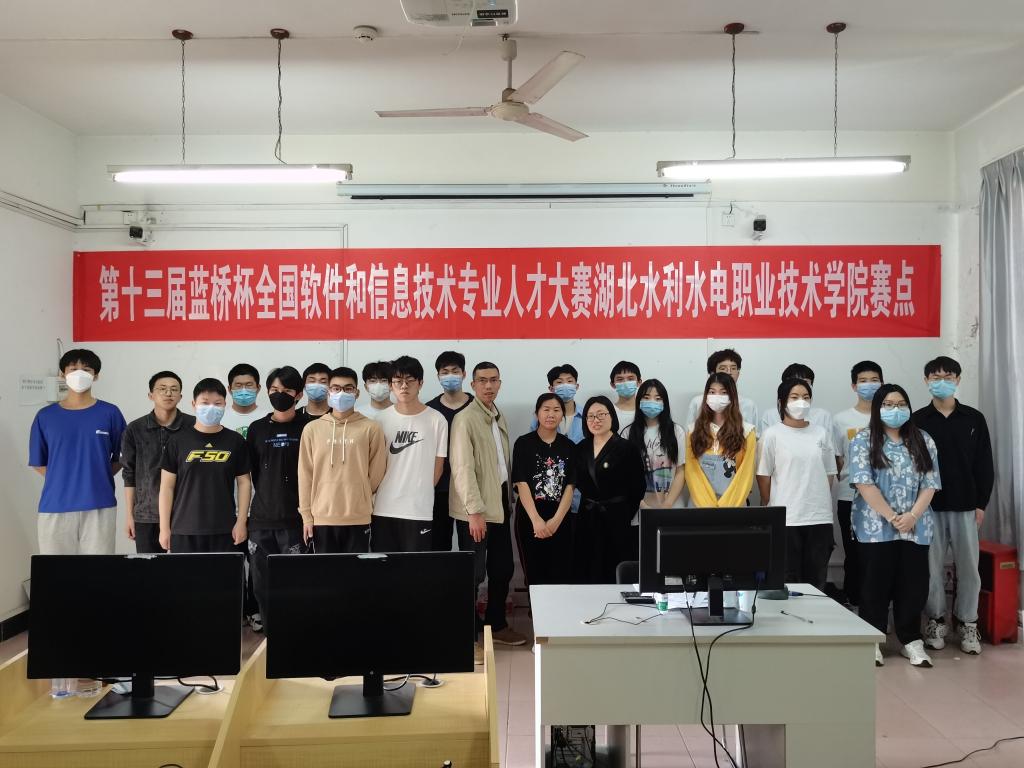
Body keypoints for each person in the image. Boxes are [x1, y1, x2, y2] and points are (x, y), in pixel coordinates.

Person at [850, 384, 940, 667]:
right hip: (875, 527)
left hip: (916, 527)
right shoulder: (863, 440)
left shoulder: (923, 439)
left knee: (913, 585)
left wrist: (912, 516)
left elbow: (930, 483)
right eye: (888, 404)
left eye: (901, 404)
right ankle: (873, 639)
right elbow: (864, 483)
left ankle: (911, 640)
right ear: (877, 409)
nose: (895, 410)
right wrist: (892, 517)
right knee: (874, 585)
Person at [914, 356, 994, 656]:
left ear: (958, 380)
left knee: (969, 568)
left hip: (966, 506)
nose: (942, 382)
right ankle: (936, 621)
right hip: (928, 507)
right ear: (926, 381)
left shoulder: (974, 418)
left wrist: (981, 504)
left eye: (948, 377)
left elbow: (984, 464)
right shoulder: (917, 420)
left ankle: (967, 622)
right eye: (935, 377)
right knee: (931, 569)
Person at [449, 361, 527, 651]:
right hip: (476, 510)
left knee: (502, 568)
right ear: (472, 385)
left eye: (494, 380)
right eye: (482, 380)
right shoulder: (465, 418)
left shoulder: (496, 414)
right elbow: (462, 468)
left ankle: (496, 625)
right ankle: (469, 637)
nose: (488, 385)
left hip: (499, 506)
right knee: (473, 574)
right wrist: (474, 511)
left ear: (500, 383)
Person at [29, 348, 126, 555]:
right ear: (62, 374)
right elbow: (38, 461)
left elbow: (123, 456)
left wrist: (96, 476)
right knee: (55, 570)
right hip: (55, 506)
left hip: (100, 505)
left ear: (96, 375)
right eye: (73, 369)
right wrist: (64, 479)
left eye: (87, 369)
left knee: (99, 570)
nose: (79, 373)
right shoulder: (45, 416)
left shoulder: (110, 413)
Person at [756, 378, 837, 590]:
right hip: (787, 517)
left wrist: (816, 498)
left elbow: (829, 473)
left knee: (816, 581)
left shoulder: (821, 433)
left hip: (819, 517)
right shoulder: (772, 434)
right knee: (787, 581)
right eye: (794, 397)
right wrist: (771, 503)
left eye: (806, 397)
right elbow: (763, 476)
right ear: (781, 401)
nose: (801, 402)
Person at [245, 366, 310, 630]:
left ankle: (293, 630)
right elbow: (252, 474)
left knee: (295, 580)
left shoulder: (309, 427)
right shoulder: (257, 428)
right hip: (261, 519)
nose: (279, 394)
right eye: (274, 389)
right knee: (262, 582)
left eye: (286, 390)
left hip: (296, 519)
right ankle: (271, 633)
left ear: (299, 394)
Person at [298, 366, 386, 554]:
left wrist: (359, 492)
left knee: (355, 571)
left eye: (348, 388)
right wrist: (307, 516)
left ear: (357, 393)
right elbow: (305, 475)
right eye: (336, 388)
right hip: (322, 518)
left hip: (358, 517)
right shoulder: (312, 429)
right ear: (328, 392)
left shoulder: (371, 428)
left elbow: (377, 471)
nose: (341, 393)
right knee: (326, 571)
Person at [158, 378, 251, 553]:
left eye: (217, 403)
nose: (211, 408)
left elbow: (244, 482)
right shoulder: (177, 441)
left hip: (225, 529)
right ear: (194, 404)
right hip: (184, 529)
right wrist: (164, 528)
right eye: (205, 403)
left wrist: (241, 522)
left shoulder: (235, 441)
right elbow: (166, 487)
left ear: (225, 405)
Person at [372, 356, 448, 552]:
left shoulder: (437, 420)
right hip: (383, 507)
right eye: (398, 381)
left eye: (410, 380)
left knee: (416, 568)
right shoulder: (380, 420)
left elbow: (438, 466)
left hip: (418, 510)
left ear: (420, 383)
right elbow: (374, 465)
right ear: (391, 385)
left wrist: (419, 492)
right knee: (384, 565)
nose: (404, 386)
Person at [573, 396, 646, 584]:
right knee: (587, 567)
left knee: (614, 567)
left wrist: (623, 512)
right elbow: (576, 481)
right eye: (590, 416)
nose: (595, 420)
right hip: (587, 516)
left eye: (601, 415)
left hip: (617, 518)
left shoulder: (627, 448)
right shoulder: (580, 448)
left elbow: (638, 486)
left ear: (612, 416)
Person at [121, 370, 196, 553]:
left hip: (186, 513)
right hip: (147, 515)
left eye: (174, 389)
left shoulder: (193, 425)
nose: (168, 393)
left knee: (188, 568)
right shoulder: (135, 429)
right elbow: (129, 474)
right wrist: (130, 516)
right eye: (162, 389)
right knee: (150, 569)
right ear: (151, 395)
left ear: (181, 396)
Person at [832, 361, 885, 607]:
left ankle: (878, 605)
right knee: (854, 553)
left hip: (885, 497)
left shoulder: (890, 416)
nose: (869, 385)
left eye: (874, 380)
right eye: (863, 381)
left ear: (882, 383)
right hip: (849, 496)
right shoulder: (841, 419)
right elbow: (838, 460)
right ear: (854, 386)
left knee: (880, 555)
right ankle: (854, 602)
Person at [513, 393, 577, 587]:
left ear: (562, 415)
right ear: (537, 414)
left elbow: (570, 486)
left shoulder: (569, 446)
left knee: (560, 573)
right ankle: (535, 607)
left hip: (560, 516)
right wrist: (536, 521)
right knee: (534, 573)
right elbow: (521, 483)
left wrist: (556, 521)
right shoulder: (523, 443)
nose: (551, 414)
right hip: (530, 516)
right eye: (546, 409)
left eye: (556, 410)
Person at [684, 373, 757, 507]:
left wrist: (726, 508)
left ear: (732, 396)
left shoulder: (747, 432)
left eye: (723, 392)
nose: (717, 397)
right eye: (712, 392)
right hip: (699, 507)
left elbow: (745, 475)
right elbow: (691, 471)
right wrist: (709, 506)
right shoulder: (692, 431)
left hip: (734, 507)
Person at [426, 351, 474, 551]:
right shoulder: (429, 410)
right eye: (445, 372)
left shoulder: (477, 407)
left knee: (470, 547)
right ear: (438, 376)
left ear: (464, 374)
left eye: (455, 371)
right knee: (438, 547)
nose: (450, 376)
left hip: (470, 490)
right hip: (439, 489)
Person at [622, 379, 686, 511]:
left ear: (664, 403)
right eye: (646, 398)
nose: (652, 402)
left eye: (658, 398)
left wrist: (667, 504)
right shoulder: (628, 433)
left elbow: (681, 471)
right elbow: (625, 474)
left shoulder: (677, 431)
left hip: (672, 507)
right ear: (639, 401)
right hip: (638, 508)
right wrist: (642, 505)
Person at [759, 364, 839, 455]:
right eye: (793, 381)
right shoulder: (770, 415)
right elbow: (764, 453)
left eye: (805, 382)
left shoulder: (823, 416)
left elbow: (830, 454)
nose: (800, 386)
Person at [685, 348, 758, 425]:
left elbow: (753, 431)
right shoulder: (698, 402)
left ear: (738, 373)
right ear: (712, 374)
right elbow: (689, 430)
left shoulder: (748, 405)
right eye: (723, 368)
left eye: (733, 368)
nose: (729, 372)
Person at [531, 364, 584, 443]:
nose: (565, 385)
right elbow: (532, 441)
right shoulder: (541, 415)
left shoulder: (586, 415)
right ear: (551, 388)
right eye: (559, 382)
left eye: (569, 381)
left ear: (576, 386)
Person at [221, 363, 271, 438]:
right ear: (229, 389)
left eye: (249, 385)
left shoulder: (268, 418)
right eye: (238, 385)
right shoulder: (220, 418)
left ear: (258, 388)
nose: (244, 390)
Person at [610, 360, 642, 430]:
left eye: (630, 379)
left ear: (639, 382)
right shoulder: (608, 412)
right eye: (620, 379)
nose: (625, 383)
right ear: (613, 384)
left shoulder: (647, 410)